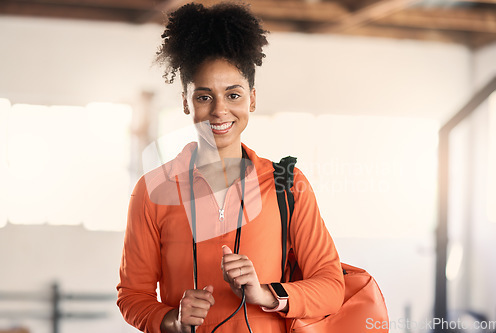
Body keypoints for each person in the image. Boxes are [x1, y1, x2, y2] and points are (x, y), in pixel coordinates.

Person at [116, 2, 345, 333]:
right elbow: (132, 295)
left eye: (233, 95)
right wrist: (173, 320)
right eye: (204, 97)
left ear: (252, 98)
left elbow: (331, 286)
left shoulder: (287, 184)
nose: (220, 111)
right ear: (185, 101)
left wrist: (266, 294)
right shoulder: (152, 190)